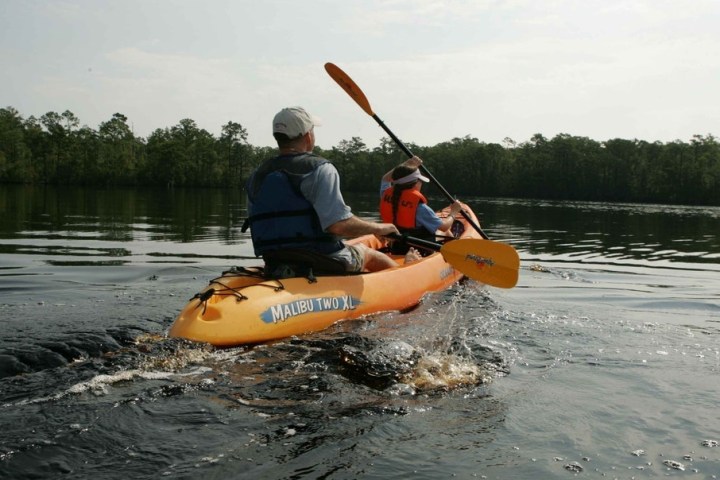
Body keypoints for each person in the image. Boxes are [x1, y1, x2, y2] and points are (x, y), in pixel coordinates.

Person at [245, 106, 418, 277]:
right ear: (308, 135)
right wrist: (380, 228)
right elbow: (338, 225)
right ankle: (406, 275)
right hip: (320, 259)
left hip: (275, 262)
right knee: (369, 253)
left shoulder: (257, 175)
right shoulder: (320, 169)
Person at [380, 156, 463, 254]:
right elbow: (444, 226)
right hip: (419, 250)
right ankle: (452, 255)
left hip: (397, 247)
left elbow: (385, 178)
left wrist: (407, 164)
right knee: (446, 231)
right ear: (416, 184)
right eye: (420, 181)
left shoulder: (385, 194)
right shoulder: (421, 208)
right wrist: (453, 212)